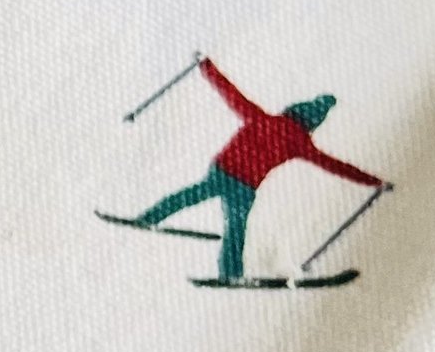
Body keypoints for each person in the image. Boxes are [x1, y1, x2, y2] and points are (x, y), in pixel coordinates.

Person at [130, 61, 386, 284]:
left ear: (294, 109)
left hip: (222, 171)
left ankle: (149, 218)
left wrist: (207, 67)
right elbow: (335, 166)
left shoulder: (262, 119)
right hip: (245, 187)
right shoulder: (301, 144)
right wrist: (372, 181)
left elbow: (230, 93)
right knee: (236, 230)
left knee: (188, 196)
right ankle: (230, 274)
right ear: (312, 124)